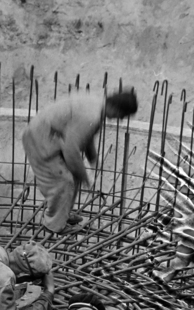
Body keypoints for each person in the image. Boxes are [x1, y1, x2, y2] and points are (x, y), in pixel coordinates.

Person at [22, 87, 140, 234]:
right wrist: (85, 177)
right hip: (40, 139)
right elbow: (71, 150)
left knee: (73, 176)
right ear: (116, 108)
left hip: (51, 137)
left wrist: (93, 160)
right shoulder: (91, 116)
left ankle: (62, 215)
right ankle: (53, 225)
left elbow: (84, 138)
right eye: (122, 116)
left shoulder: (96, 106)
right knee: (64, 181)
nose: (120, 120)